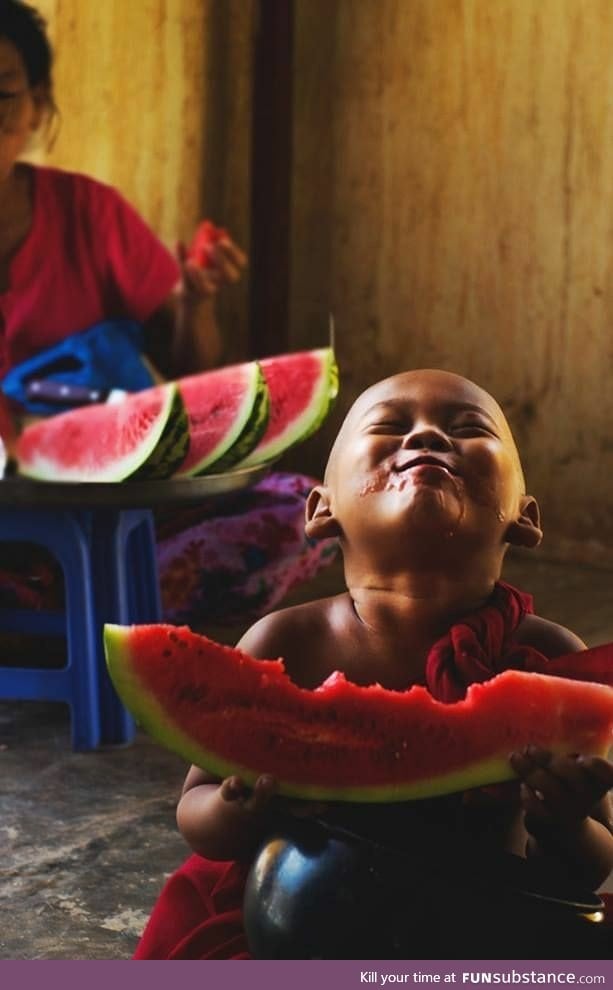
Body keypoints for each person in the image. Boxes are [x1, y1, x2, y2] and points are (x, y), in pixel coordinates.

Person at [134, 368, 613, 959]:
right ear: (320, 509)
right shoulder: (288, 640)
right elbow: (195, 810)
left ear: (526, 516)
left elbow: (589, 861)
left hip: (472, 930)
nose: (427, 437)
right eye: (389, 426)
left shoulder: (553, 663)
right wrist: (236, 810)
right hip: (295, 920)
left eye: (467, 428)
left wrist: (561, 822)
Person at [0, 0, 336, 628]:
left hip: (114, 514)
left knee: (302, 508)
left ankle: (52, 604)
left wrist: (195, 299)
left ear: (38, 103)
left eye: (1, 96)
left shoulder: (90, 214)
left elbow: (190, 367)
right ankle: (92, 607)